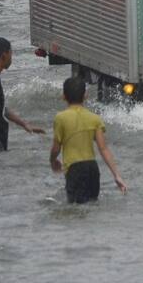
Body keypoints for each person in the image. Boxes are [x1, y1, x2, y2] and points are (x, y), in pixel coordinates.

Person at [49, 76, 127, 204]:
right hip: (92, 169)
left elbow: (56, 147)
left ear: (63, 96)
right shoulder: (94, 118)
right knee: (92, 205)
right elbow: (103, 149)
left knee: (76, 208)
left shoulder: (60, 118)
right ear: (85, 95)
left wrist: (52, 161)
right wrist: (116, 175)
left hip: (74, 169)